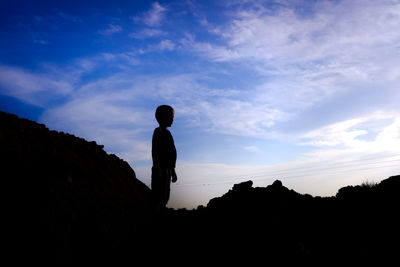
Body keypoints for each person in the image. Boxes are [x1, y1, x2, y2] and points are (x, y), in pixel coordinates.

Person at [151, 105, 177, 210]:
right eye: (170, 117)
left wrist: (173, 170)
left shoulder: (168, 133)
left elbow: (171, 153)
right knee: (159, 194)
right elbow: (155, 151)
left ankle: (162, 209)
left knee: (166, 193)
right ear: (162, 117)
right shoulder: (158, 132)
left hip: (168, 169)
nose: (172, 120)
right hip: (160, 168)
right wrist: (157, 167)